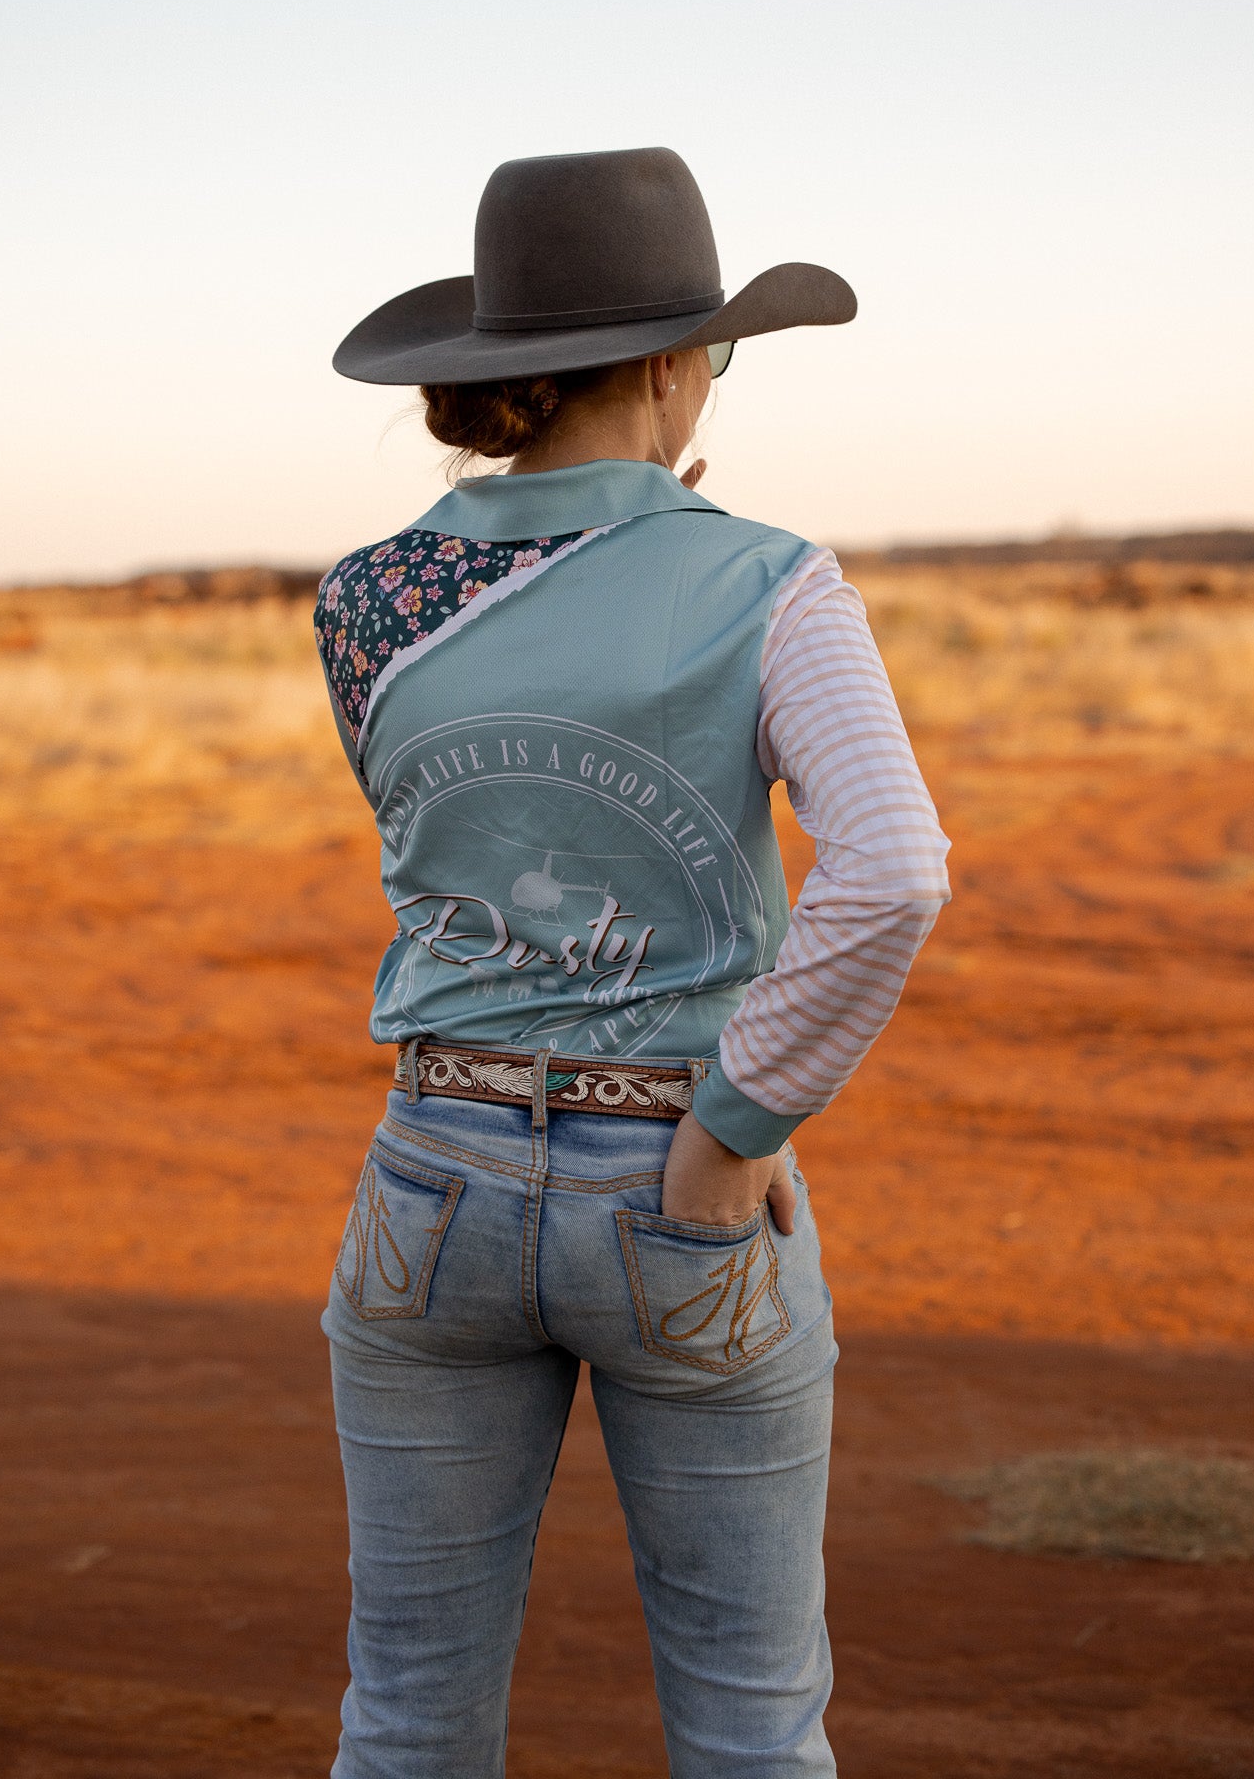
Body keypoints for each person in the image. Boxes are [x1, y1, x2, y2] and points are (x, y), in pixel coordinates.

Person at [315, 147, 950, 1777]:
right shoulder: (765, 579)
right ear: (674, 366)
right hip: (678, 1185)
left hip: (429, 1175)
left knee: (404, 1716)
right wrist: (738, 1124)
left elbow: (447, 841)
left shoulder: (365, 600)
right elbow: (891, 869)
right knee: (749, 1725)